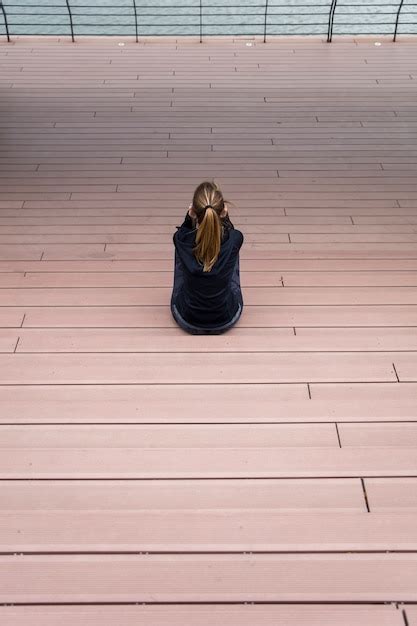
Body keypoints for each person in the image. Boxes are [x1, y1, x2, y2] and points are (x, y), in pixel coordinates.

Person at [171, 180, 244, 335]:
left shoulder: (181, 239)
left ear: (193, 211)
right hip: (226, 319)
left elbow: (183, 233)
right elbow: (230, 232)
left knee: (182, 254)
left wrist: (189, 219)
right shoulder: (235, 238)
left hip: (187, 319)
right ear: (223, 211)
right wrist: (224, 217)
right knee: (231, 253)